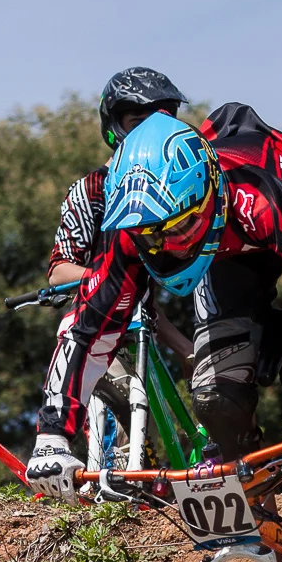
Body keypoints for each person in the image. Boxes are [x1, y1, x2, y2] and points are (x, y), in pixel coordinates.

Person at [26, 105, 282, 562]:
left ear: (206, 196)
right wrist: (51, 437)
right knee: (217, 398)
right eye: (152, 236)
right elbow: (86, 332)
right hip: (225, 250)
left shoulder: (257, 194)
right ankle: (266, 539)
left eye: (180, 227)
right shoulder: (134, 234)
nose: (169, 248)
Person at [46, 67, 195, 365]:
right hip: (95, 325)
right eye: (138, 123)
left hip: (146, 329)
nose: (149, 133)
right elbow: (59, 271)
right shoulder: (91, 189)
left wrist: (191, 353)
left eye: (159, 123)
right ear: (115, 126)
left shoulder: (182, 187)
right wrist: (109, 280)